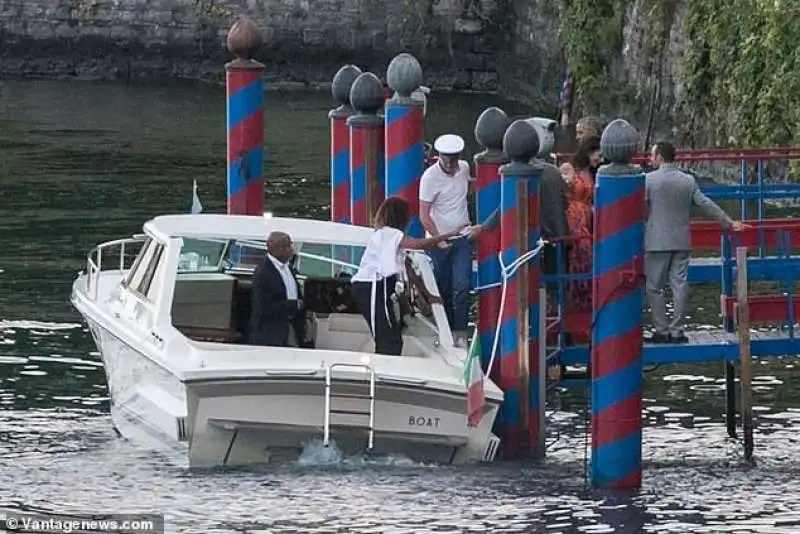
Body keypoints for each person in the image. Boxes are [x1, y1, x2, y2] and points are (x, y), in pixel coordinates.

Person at [645, 141, 747, 344]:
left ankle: (661, 329)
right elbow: (705, 204)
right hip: (682, 239)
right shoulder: (688, 180)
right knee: (679, 285)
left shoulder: (648, 180)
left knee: (654, 286)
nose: (650, 158)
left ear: (659, 157)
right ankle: (678, 330)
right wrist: (728, 222)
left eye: (652, 155)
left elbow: (638, 208)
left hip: (656, 241)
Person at [351, 197, 465, 355]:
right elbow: (421, 244)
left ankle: (387, 364)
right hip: (373, 285)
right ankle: (384, 368)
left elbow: (408, 269)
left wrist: (428, 295)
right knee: (387, 336)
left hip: (379, 286)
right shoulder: (389, 234)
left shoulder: (390, 238)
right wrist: (449, 235)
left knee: (392, 334)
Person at [419, 133, 483, 348]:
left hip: (462, 237)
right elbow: (424, 215)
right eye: (446, 160)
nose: (450, 165)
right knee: (442, 288)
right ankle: (444, 330)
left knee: (462, 286)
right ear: (439, 157)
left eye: (453, 160)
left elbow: (468, 187)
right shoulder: (429, 178)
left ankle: (460, 332)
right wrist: (438, 239)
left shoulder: (463, 168)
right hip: (438, 241)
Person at [563, 136, 600, 344]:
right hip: (574, 218)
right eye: (598, 154)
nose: (600, 158)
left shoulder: (595, 173)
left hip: (588, 218)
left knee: (587, 265)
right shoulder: (571, 168)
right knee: (579, 260)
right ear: (588, 151)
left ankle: (585, 322)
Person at [248, 231, 308, 348]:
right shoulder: (262, 273)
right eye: (287, 246)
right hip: (270, 334)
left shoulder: (288, 267)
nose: (291, 249)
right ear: (276, 249)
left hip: (290, 328)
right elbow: (262, 307)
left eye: (290, 245)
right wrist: (293, 305)